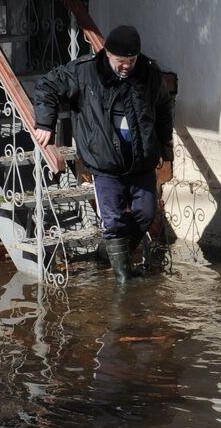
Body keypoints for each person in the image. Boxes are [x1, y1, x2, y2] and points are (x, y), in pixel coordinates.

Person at [31, 25, 174, 283]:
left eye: (131, 60)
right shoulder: (84, 72)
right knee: (115, 220)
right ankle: (123, 280)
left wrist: (165, 145)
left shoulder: (149, 73)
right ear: (107, 53)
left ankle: (106, 253)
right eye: (121, 61)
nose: (126, 66)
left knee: (146, 212)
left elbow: (163, 107)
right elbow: (47, 86)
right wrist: (45, 123)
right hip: (104, 163)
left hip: (141, 161)